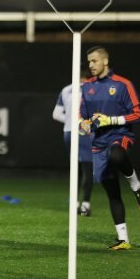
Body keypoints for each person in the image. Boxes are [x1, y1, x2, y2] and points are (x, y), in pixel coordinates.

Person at [79, 45, 140, 250]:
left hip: (119, 135)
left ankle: (136, 186)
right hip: (98, 142)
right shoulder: (87, 87)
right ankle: (123, 239)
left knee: (117, 156)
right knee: (112, 191)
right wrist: (82, 123)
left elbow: (137, 114)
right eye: (88, 61)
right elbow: (82, 115)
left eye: (94, 61)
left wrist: (111, 120)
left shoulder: (123, 84)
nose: (90, 65)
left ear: (105, 62)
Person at [52, 66, 94, 216]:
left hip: (68, 132)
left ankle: (74, 203)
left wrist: (70, 121)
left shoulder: (66, 89)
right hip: (85, 132)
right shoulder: (93, 89)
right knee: (88, 168)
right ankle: (86, 204)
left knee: (75, 169)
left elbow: (56, 114)